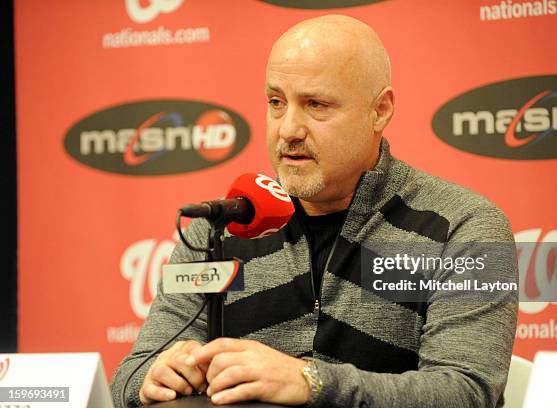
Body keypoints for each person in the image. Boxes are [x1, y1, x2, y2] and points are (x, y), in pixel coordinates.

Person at [111, 14, 518, 408]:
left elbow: (466, 392)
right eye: (276, 102)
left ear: (380, 111)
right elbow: (128, 375)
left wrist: (309, 382)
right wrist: (153, 377)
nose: (288, 129)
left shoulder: (467, 227)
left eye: (316, 104)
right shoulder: (217, 230)